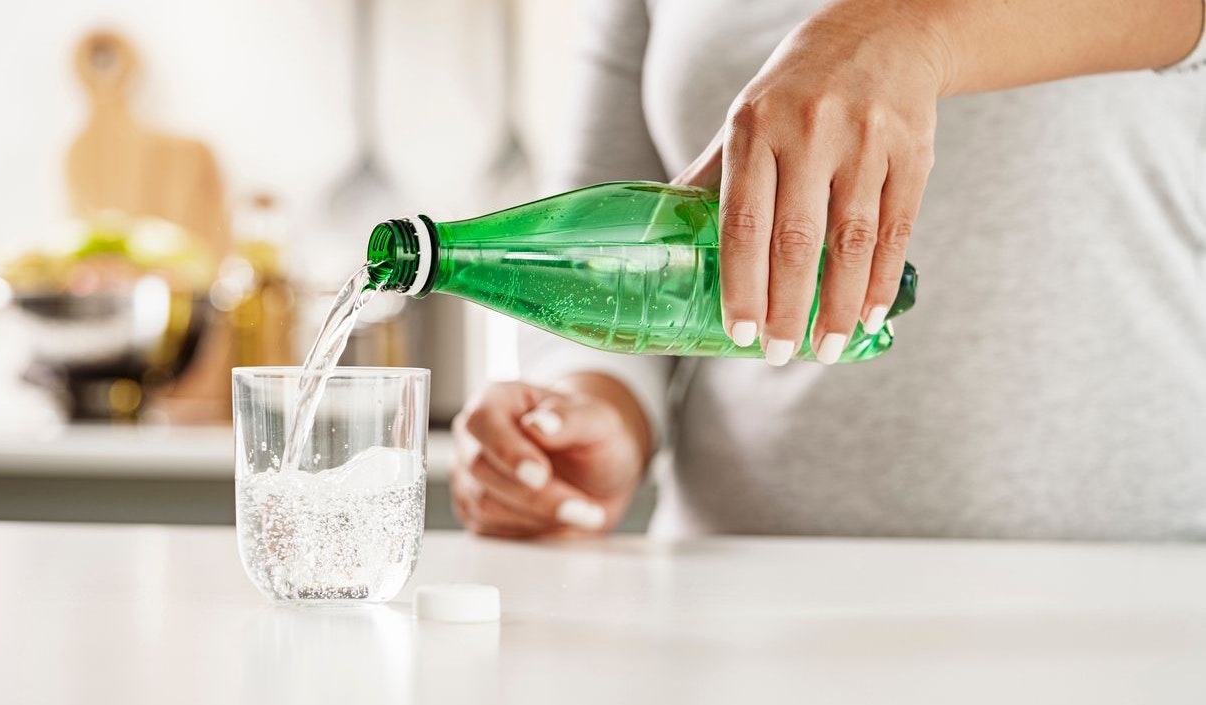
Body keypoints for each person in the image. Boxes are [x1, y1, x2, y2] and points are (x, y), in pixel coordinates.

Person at [450, 0, 1206, 541]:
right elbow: (622, 241)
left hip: (1122, 595)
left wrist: (906, 31)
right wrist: (592, 414)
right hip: (741, 603)